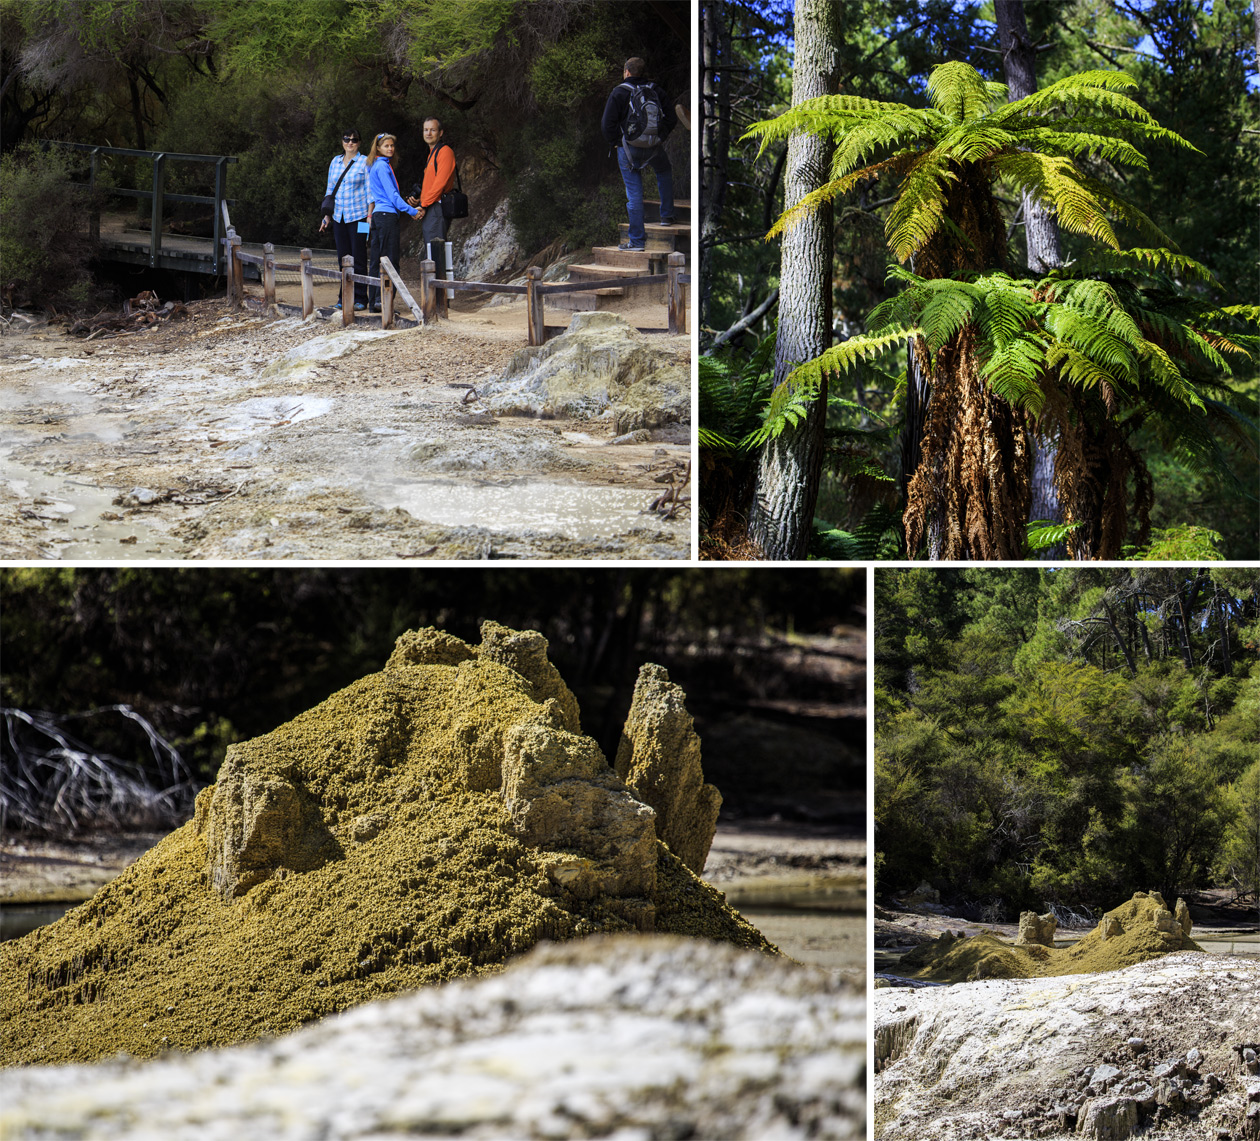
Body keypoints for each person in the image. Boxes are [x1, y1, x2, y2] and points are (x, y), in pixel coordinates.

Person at [601, 56, 677, 251]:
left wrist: (617, 142)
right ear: (642, 73)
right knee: (664, 170)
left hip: (628, 148)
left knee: (634, 194)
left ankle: (637, 242)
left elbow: (607, 123)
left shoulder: (619, 92)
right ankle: (667, 215)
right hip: (653, 145)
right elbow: (671, 117)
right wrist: (660, 136)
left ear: (626, 72)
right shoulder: (655, 90)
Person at [365, 132, 421, 312]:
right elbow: (393, 196)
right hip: (387, 217)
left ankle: (375, 301)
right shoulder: (382, 167)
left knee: (376, 260)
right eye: (386, 146)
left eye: (392, 146)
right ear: (378, 148)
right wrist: (412, 211)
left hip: (379, 217)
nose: (390, 149)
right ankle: (384, 301)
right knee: (390, 261)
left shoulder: (375, 166)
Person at [319, 129, 369, 310]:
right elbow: (330, 190)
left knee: (359, 257)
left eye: (354, 140)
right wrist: (327, 216)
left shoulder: (365, 162)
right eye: (347, 139)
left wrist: (370, 217)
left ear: (359, 143)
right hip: (339, 217)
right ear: (342, 142)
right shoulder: (335, 162)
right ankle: (344, 298)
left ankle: (361, 298)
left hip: (360, 217)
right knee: (343, 258)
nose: (350, 143)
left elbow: (370, 192)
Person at [406, 116, 456, 282]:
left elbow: (440, 184)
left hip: (437, 208)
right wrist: (419, 199)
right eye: (426, 129)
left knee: (435, 251)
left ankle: (439, 299)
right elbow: (431, 184)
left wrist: (424, 205)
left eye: (432, 130)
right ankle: (436, 296)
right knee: (432, 249)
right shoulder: (432, 154)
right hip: (431, 206)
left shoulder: (445, 152)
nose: (428, 133)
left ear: (440, 133)